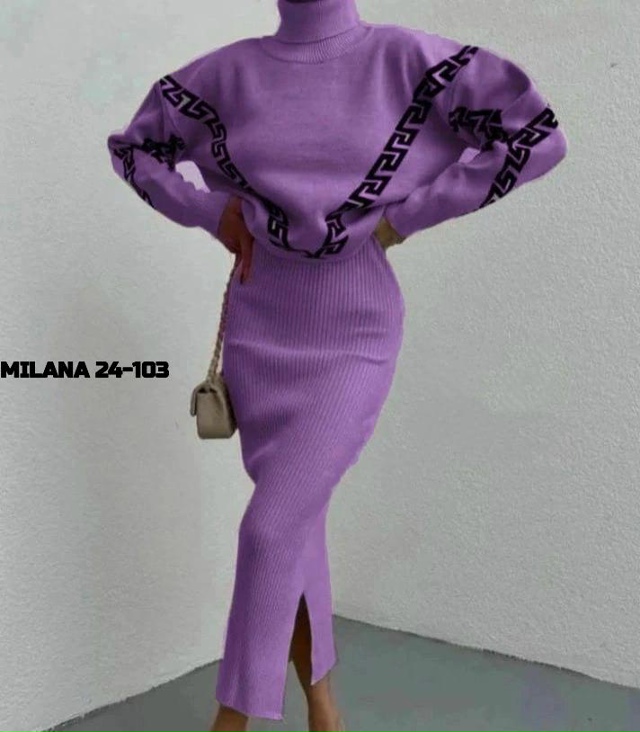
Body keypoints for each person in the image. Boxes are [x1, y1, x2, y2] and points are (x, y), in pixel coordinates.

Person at [106, 1, 569, 730]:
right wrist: (208, 212)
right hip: (261, 321)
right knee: (295, 525)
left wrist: (405, 218)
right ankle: (323, 708)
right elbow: (135, 149)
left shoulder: (407, 61)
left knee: (269, 528)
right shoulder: (225, 75)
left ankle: (232, 719)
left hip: (354, 329)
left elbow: (535, 135)